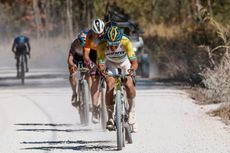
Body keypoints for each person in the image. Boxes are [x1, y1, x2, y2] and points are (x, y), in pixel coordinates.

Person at [97, 26, 138, 132]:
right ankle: (110, 117)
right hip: (111, 63)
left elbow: (134, 62)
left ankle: (132, 112)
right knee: (110, 85)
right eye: (111, 45)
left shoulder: (126, 42)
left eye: (116, 44)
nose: (113, 47)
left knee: (129, 84)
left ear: (120, 41)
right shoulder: (102, 45)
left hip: (125, 62)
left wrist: (131, 71)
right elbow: (101, 64)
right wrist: (104, 72)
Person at [83, 19, 105, 123]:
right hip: (93, 54)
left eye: (100, 33)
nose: (98, 36)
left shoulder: (107, 34)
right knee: (94, 78)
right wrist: (90, 64)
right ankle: (95, 107)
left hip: (105, 53)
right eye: (96, 33)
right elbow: (86, 54)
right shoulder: (90, 36)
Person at [67, 31, 87, 106]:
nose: (82, 47)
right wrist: (73, 65)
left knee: (90, 74)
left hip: (86, 57)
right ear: (78, 41)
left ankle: (89, 96)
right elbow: (69, 59)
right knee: (72, 72)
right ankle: (75, 93)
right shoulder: (74, 44)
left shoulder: (91, 44)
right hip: (76, 58)